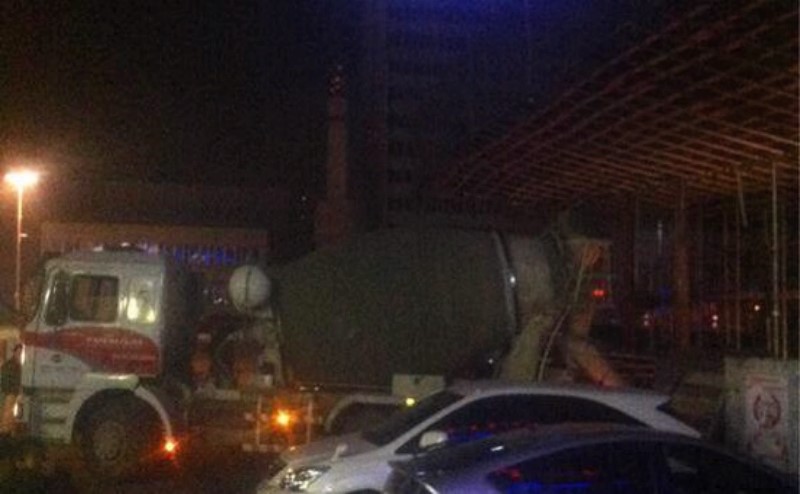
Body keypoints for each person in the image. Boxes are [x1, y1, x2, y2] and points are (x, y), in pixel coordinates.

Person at [1, 344, 22, 436]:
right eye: (18, 352)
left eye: (20, 352)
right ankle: (6, 431)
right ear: (14, 352)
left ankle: (9, 430)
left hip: (12, 393)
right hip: (10, 392)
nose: (19, 354)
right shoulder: (11, 365)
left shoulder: (16, 364)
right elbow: (6, 379)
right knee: (9, 412)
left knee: (11, 413)